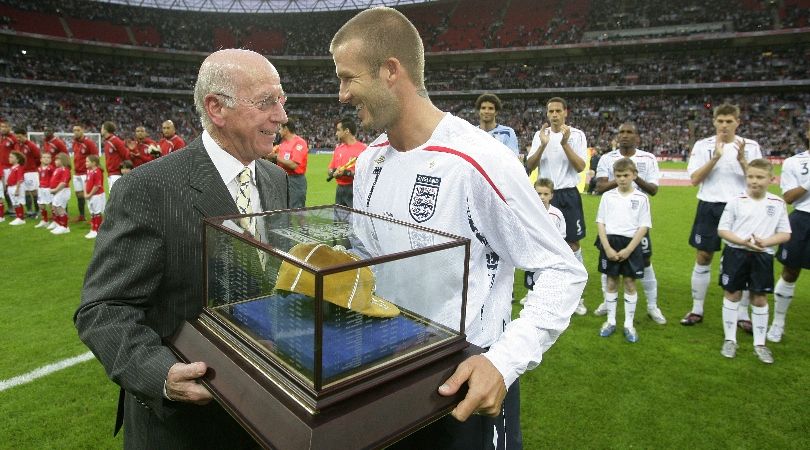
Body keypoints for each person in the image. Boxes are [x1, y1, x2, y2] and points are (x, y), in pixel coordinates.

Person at [330, 8, 587, 449]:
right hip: (391, 364)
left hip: (467, 375)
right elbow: (372, 259)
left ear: (391, 71)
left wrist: (503, 363)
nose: (341, 95)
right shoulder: (370, 160)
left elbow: (562, 271)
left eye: (348, 78)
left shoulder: (479, 161)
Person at [74, 48, 289, 449]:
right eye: (266, 103)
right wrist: (160, 375)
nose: (281, 115)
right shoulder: (149, 188)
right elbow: (103, 309)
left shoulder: (277, 180)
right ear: (216, 108)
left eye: (282, 101)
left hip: (264, 416)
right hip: (183, 429)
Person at [681, 103, 762, 326]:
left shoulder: (750, 146)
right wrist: (715, 158)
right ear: (714, 122)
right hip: (710, 205)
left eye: (729, 121)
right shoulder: (703, 145)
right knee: (704, 256)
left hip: (741, 208)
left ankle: (742, 314)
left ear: (738, 122)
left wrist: (743, 161)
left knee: (744, 258)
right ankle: (697, 309)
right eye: (721, 121)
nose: (724, 125)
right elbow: (695, 179)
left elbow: (758, 181)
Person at [716, 159, 790, 363]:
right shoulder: (736, 200)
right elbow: (722, 230)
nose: (754, 181)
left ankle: (760, 343)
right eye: (750, 176)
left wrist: (766, 241)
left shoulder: (777, 203)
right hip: (735, 253)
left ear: (771, 179)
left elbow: (785, 233)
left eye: (760, 177)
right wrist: (742, 241)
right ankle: (730, 339)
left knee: (759, 298)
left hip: (762, 255)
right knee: (732, 294)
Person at [593, 123, 666, 325]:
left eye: (629, 132)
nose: (625, 136)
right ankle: (608, 305)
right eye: (621, 132)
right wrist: (621, 179)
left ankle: (652, 306)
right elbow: (599, 187)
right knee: (608, 265)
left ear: (637, 136)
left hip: (636, 222)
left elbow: (653, 189)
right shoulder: (607, 158)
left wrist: (633, 176)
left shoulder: (648, 158)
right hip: (612, 220)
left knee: (646, 261)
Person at [525, 97, 589, 315]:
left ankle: (577, 296)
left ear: (565, 112)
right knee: (541, 242)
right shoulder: (539, 135)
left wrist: (564, 143)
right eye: (550, 111)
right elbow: (529, 165)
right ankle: (536, 289)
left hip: (568, 194)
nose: (554, 114)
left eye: (557, 111)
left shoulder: (577, 135)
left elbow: (580, 166)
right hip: (544, 195)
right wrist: (542, 145)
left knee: (572, 244)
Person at [595, 158, 651, 343]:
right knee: (611, 282)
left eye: (626, 175)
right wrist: (607, 247)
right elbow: (600, 222)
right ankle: (610, 321)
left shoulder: (641, 198)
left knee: (629, 283)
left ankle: (628, 324)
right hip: (610, 241)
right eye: (618, 175)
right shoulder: (607, 196)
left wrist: (628, 250)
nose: (622, 179)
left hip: (631, 244)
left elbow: (644, 226)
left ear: (634, 175)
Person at [769, 140, 810, 342]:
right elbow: (788, 197)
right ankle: (778, 323)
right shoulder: (794, 162)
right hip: (802, 218)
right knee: (790, 271)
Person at [520, 177, 566, 305]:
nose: (542, 197)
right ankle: (530, 295)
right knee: (532, 274)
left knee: (546, 277)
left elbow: (562, 236)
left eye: (545, 194)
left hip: (550, 253)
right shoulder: (528, 212)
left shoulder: (557, 214)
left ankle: (545, 299)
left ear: (551, 195)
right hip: (533, 252)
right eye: (539, 193)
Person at [328, 117, 366, 207]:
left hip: (354, 189)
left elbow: (366, 174)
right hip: (340, 189)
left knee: (354, 219)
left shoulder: (363, 150)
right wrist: (334, 172)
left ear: (347, 131)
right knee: (339, 220)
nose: (336, 133)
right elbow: (330, 170)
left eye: (338, 130)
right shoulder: (338, 149)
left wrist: (346, 173)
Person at [271, 117, 308, 208]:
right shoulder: (283, 144)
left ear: (286, 129)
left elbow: (293, 165)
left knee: (296, 210)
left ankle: (301, 223)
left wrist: (276, 157)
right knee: (284, 208)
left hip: (295, 180)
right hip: (282, 179)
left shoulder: (299, 143)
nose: (279, 131)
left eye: (280, 128)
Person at [476, 93, 520, 158]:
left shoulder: (507, 132)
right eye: (483, 108)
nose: (486, 111)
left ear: (496, 112)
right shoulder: (472, 132)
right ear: (479, 111)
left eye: (490, 108)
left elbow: (512, 159)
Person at [72, 124, 100, 222]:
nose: (76, 132)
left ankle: (93, 216)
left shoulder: (89, 142)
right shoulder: (74, 142)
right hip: (76, 173)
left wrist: (92, 170)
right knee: (79, 194)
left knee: (88, 194)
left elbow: (95, 156)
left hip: (85, 173)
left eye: (78, 130)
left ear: (82, 130)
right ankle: (82, 215)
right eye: (74, 130)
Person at [14, 127, 41, 218]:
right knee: (25, 191)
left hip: (31, 172)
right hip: (21, 171)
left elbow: (38, 158)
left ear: (25, 135)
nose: (18, 139)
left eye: (20, 137)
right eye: (17, 137)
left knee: (33, 191)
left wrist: (33, 167)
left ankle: (38, 210)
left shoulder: (31, 145)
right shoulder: (17, 145)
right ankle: (29, 211)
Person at [101, 121, 130, 189]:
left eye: (102, 128)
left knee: (116, 198)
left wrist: (124, 170)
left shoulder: (115, 141)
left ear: (105, 130)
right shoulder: (107, 141)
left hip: (117, 174)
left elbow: (125, 155)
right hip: (110, 174)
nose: (101, 130)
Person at [49, 152, 72, 234]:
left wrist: (55, 190)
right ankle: (59, 224)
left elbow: (63, 182)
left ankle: (65, 227)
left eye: (57, 160)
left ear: (63, 160)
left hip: (62, 191)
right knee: (55, 207)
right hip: (57, 192)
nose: (55, 161)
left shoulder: (65, 170)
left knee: (60, 208)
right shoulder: (57, 169)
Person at [83, 154, 105, 239]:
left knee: (97, 212)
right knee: (92, 212)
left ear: (94, 163)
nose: (86, 163)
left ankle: (97, 230)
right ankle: (93, 229)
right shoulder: (89, 171)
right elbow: (86, 182)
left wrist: (89, 194)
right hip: (90, 196)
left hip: (97, 195)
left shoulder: (97, 171)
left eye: (87, 161)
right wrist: (85, 193)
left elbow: (97, 186)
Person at [0, 120, 18, 216]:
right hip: (1, 167)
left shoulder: (13, 139)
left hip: (9, 168)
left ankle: (16, 209)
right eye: (1, 126)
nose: (2, 128)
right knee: (3, 189)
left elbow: (17, 154)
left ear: (9, 128)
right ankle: (11, 208)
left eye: (5, 126)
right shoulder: (1, 138)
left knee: (9, 189)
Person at [35, 151, 54, 228]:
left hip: (48, 188)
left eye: (48, 158)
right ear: (41, 159)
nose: (46, 159)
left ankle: (55, 221)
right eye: (44, 157)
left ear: (51, 160)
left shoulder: (51, 168)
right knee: (41, 204)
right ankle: (44, 220)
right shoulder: (39, 168)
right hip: (41, 188)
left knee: (51, 205)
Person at [6, 150, 26, 225]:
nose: (9, 158)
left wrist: (17, 189)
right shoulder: (12, 167)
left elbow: (19, 179)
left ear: (17, 159)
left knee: (18, 202)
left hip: (16, 187)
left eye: (11, 157)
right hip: (11, 187)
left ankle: (21, 218)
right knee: (14, 202)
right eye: (9, 157)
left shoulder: (19, 167)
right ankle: (18, 217)